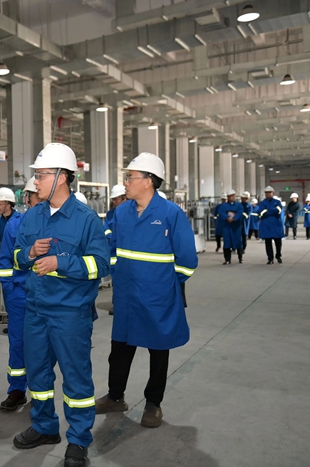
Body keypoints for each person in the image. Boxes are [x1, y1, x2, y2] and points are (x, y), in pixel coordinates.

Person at [12, 143, 110, 467]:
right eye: (37, 175)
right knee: (38, 375)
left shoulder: (86, 220)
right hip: (36, 310)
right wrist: (29, 254)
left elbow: (101, 264)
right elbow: (17, 258)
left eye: (41, 175)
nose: (35, 181)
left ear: (62, 177)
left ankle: (79, 440)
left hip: (70, 314)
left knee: (76, 379)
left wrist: (60, 262)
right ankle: (44, 427)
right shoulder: (32, 216)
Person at [95, 152, 197, 429]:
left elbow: (187, 259)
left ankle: (153, 403)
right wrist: (117, 271)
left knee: (158, 350)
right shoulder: (122, 212)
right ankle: (115, 396)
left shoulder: (170, 214)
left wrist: (168, 284)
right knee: (120, 348)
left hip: (158, 297)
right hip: (126, 295)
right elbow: (111, 246)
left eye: (131, 177)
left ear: (148, 181)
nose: (126, 182)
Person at [0, 177, 41, 412]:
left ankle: (40, 392)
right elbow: (5, 261)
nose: (35, 200)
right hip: (19, 295)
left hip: (47, 296)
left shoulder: (57, 226)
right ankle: (16, 389)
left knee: (42, 347)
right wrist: (10, 289)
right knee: (18, 343)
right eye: (33, 196)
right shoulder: (14, 226)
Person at [103, 184, 127, 316]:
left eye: (116, 199)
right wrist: (112, 236)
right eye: (113, 199)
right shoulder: (110, 214)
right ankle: (117, 304)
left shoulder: (130, 213)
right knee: (116, 282)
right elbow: (105, 228)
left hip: (126, 254)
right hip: (113, 254)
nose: (113, 201)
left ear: (124, 197)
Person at [258, 186, 284, 264]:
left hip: (276, 224)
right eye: (266, 193)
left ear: (273, 193)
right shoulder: (262, 203)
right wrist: (273, 210)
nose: (268, 194)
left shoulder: (277, 202)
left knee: (278, 242)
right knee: (268, 242)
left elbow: (278, 211)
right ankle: (270, 258)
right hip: (266, 225)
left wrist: (267, 210)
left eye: (269, 192)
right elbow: (261, 213)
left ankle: (278, 255)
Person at [219, 190, 244, 265]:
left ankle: (240, 258)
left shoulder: (239, 205)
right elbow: (221, 213)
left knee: (238, 242)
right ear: (228, 197)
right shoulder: (223, 206)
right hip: (226, 226)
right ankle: (227, 259)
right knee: (227, 242)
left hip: (236, 226)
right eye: (231, 196)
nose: (232, 197)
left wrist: (234, 218)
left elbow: (240, 212)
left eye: (233, 196)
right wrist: (227, 218)